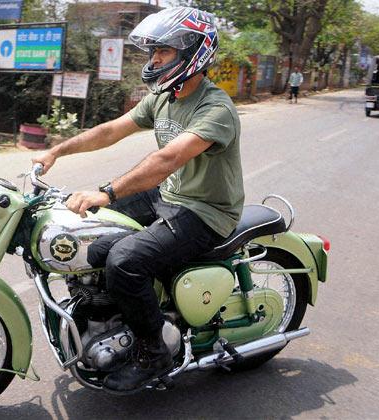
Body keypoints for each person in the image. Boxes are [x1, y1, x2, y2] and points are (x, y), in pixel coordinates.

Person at [32, 7, 243, 393]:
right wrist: (57, 151)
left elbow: (167, 160)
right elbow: (112, 130)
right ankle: (106, 314)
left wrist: (107, 190)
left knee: (126, 261)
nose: (154, 60)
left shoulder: (216, 108)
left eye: (163, 52)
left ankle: (153, 351)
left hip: (206, 211)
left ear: (193, 51)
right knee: (90, 231)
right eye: (153, 52)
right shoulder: (164, 97)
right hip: (169, 196)